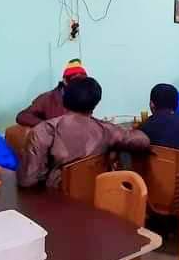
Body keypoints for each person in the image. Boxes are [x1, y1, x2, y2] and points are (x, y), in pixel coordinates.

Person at [18, 77, 149, 189]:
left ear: (64, 99)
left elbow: (28, 180)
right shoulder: (106, 129)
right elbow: (143, 141)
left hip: (56, 203)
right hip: (97, 199)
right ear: (95, 103)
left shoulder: (45, 130)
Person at [16, 59, 88, 127]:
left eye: (82, 82)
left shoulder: (86, 97)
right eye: (74, 81)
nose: (78, 86)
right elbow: (22, 116)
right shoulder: (47, 98)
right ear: (64, 81)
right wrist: (48, 126)